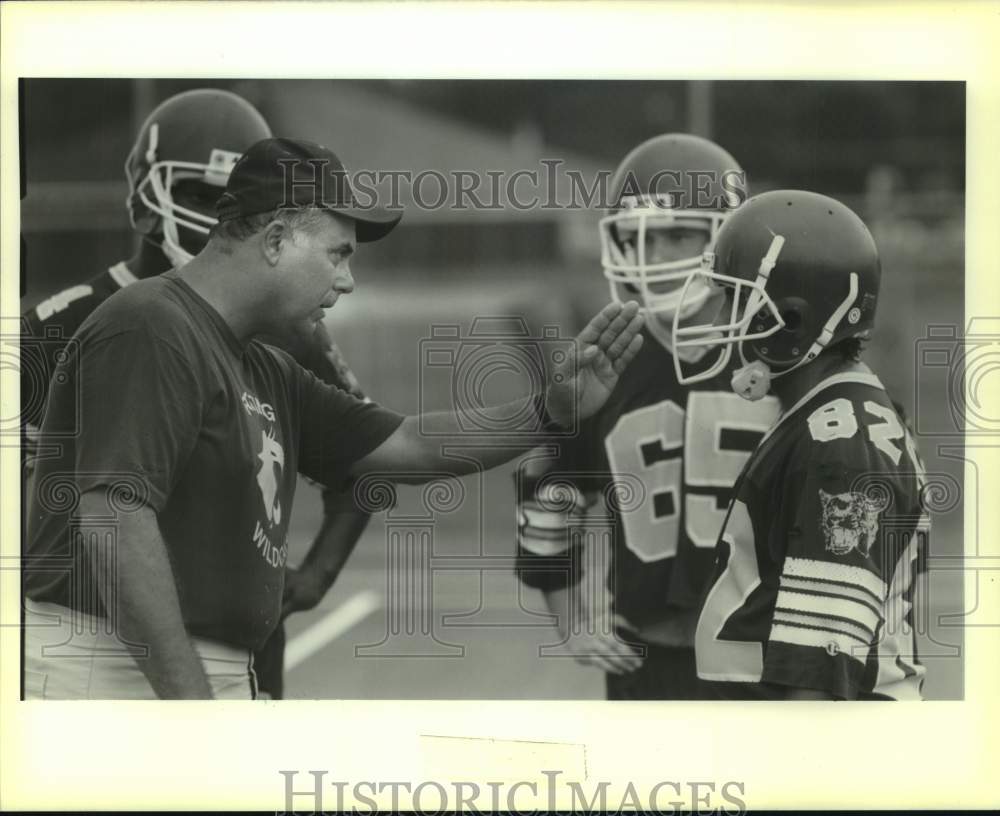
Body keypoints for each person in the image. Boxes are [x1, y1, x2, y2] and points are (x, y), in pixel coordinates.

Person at [22, 136, 645, 699]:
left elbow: (409, 444)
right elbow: (115, 524)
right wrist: (197, 723)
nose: (347, 280)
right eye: (337, 254)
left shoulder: (260, 364)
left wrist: (548, 411)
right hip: (112, 673)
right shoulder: (154, 324)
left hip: (176, 673)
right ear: (274, 242)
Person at [19, 88, 372, 700]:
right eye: (201, 195)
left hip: (237, 648)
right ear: (145, 195)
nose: (218, 213)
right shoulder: (56, 326)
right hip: (84, 645)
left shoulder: (287, 329)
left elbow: (367, 459)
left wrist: (314, 576)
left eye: (234, 197)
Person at [514, 134, 779, 699]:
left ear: (729, 240)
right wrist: (571, 621)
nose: (656, 258)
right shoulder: (607, 364)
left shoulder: (780, 361)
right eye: (642, 239)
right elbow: (547, 491)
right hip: (646, 663)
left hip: (766, 664)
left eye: (678, 235)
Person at [672, 189, 927, 699]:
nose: (724, 315)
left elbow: (819, 673)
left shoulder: (839, 447)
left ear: (790, 318)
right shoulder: (829, 416)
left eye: (738, 298)